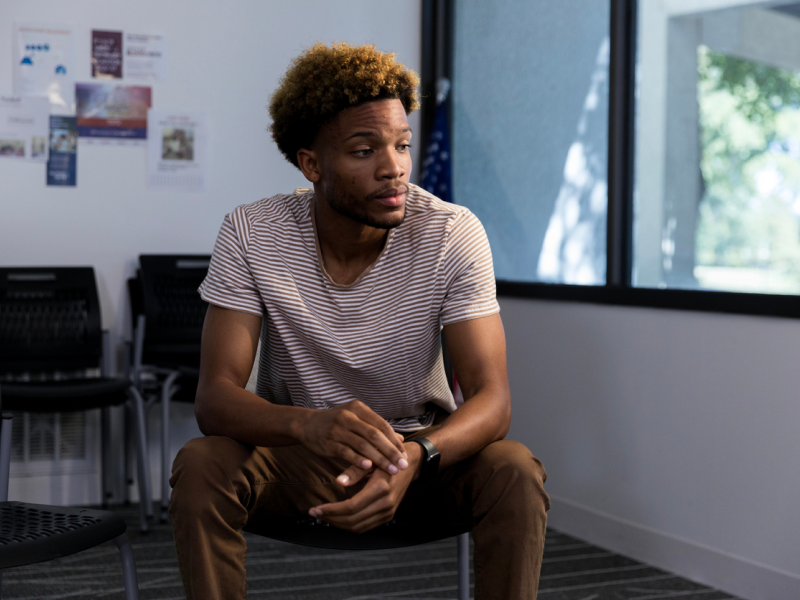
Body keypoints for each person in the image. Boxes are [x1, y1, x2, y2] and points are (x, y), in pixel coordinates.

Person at [169, 42, 550, 600]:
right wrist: (307, 425)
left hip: (422, 454)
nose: (393, 167)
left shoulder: (450, 232)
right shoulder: (253, 232)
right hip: (302, 454)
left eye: (401, 145)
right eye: (364, 150)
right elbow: (215, 400)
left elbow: (494, 400)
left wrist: (417, 456)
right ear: (312, 164)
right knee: (202, 466)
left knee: (514, 471)